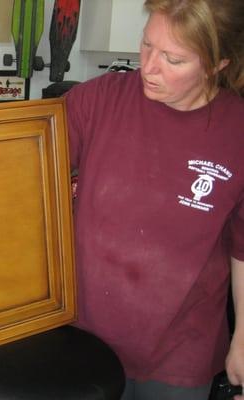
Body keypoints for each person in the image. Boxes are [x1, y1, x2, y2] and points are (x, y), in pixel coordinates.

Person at [63, 0, 244, 399]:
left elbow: (243, 250)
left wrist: (243, 339)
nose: (149, 66)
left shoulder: (238, 131)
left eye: (173, 59)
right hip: (85, 334)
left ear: (219, 64)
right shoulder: (98, 100)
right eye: (146, 45)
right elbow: (17, 157)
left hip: (180, 351)